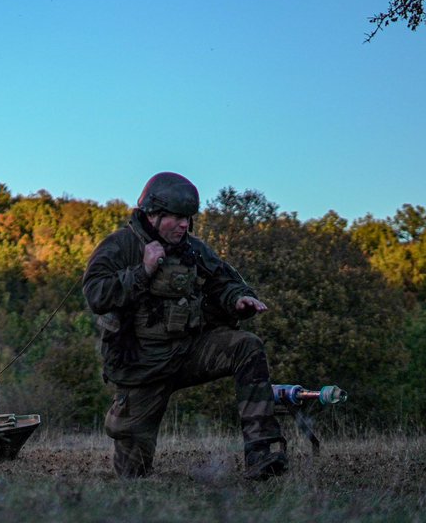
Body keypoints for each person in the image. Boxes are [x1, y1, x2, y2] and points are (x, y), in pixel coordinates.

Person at [83, 172, 288, 480]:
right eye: (177, 218)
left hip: (189, 353)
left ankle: (261, 454)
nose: (184, 225)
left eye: (188, 219)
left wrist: (238, 299)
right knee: (132, 476)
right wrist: (144, 270)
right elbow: (96, 294)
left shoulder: (192, 249)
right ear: (152, 215)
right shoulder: (120, 246)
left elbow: (225, 281)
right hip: (142, 369)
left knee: (247, 347)